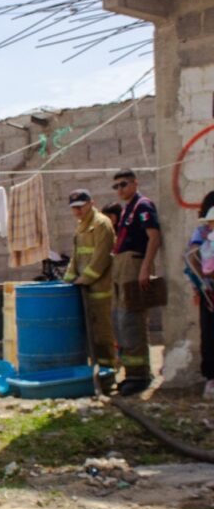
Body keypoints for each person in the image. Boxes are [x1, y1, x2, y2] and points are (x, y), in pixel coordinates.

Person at [110, 168, 161, 396]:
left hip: (134, 264)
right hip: (121, 266)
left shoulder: (143, 206)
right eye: (116, 186)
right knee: (120, 320)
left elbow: (154, 237)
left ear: (135, 183)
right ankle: (131, 372)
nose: (120, 189)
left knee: (132, 319)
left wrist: (145, 268)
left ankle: (140, 375)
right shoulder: (127, 210)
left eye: (124, 184)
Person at [63, 189, 116, 369]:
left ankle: (108, 371)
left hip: (101, 289)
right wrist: (67, 280)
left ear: (91, 204)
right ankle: (97, 368)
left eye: (81, 206)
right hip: (85, 288)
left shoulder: (101, 223)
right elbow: (76, 256)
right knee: (91, 333)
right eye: (74, 207)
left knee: (103, 331)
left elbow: (102, 256)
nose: (77, 211)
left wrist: (85, 279)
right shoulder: (81, 226)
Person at [187, 190, 214, 399]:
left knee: (210, 333)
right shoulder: (203, 233)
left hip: (207, 291)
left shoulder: (201, 232)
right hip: (209, 291)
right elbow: (193, 257)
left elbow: (191, 257)